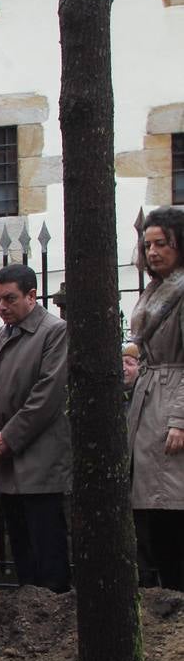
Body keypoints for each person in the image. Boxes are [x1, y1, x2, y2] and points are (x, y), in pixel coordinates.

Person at [0, 262, 71, 593]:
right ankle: (28, 607)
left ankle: (54, 607)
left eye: (10, 299)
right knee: (20, 543)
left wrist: (10, 436)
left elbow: (48, 394)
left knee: (46, 541)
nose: (1, 307)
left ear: (31, 296)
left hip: (39, 457)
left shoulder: (55, 331)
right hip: (4, 457)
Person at [128, 207, 184, 592]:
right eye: (148, 244)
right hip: (149, 402)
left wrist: (180, 419)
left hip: (171, 405)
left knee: (173, 511)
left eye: (161, 244)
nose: (152, 252)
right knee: (154, 516)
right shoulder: (153, 291)